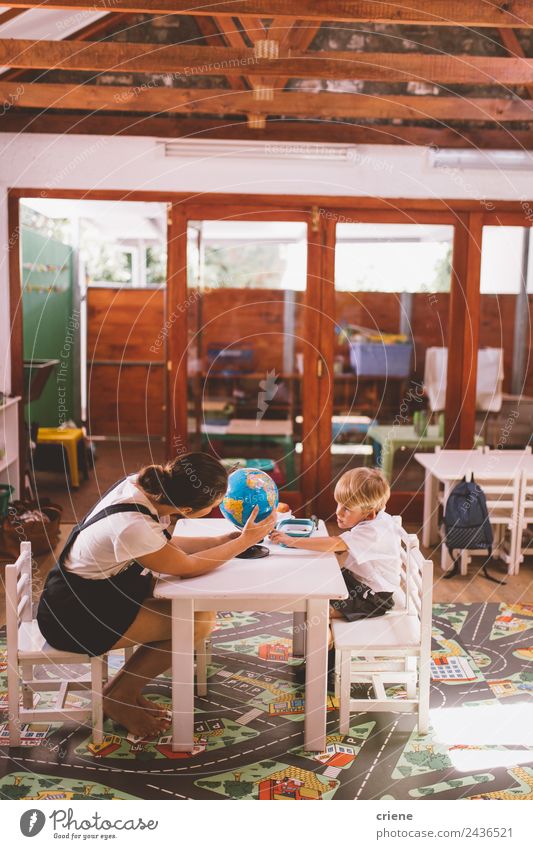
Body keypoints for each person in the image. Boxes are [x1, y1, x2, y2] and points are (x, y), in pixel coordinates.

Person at [37, 452, 276, 738]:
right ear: (187, 509)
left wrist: (223, 541)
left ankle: (120, 692)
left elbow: (164, 545)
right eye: (213, 506)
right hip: (75, 616)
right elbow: (186, 567)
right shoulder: (133, 527)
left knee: (195, 613)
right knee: (195, 624)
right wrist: (244, 543)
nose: (216, 509)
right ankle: (119, 698)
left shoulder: (142, 487)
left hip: (92, 594)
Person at [269, 467, 401, 670]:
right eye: (338, 503)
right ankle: (316, 654)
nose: (338, 512)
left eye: (347, 508)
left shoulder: (373, 531)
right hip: (360, 584)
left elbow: (335, 544)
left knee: (316, 610)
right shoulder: (377, 518)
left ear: (369, 512)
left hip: (373, 599)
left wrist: (293, 541)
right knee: (312, 586)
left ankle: (323, 668)